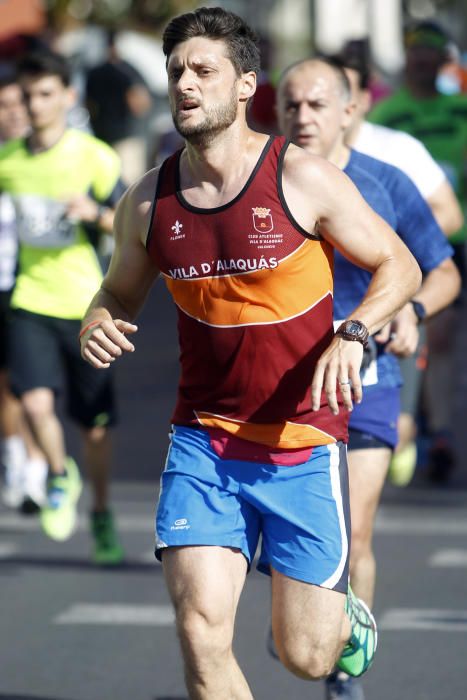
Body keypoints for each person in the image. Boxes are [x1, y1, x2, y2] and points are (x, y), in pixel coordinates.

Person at [80, 8, 421, 699]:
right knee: (201, 634)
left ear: (244, 85)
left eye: (202, 70)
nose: (183, 84)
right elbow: (116, 292)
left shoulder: (300, 178)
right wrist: (97, 320)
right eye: (177, 70)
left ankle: (339, 620)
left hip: (301, 444)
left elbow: (400, 267)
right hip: (203, 442)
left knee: (305, 657)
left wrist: (351, 334)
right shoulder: (147, 203)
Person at [276, 56, 460, 699]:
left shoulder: (385, 184)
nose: (303, 116)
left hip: (368, 378)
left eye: (318, 104)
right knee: (288, 538)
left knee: (353, 532)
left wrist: (410, 310)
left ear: (350, 112)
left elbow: (442, 271)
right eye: (291, 104)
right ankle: (302, 614)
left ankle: (342, 669)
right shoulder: (259, 186)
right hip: (282, 388)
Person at [0, 50, 126, 564]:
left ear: (68, 98)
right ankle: (57, 474)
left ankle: (99, 512)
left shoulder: (94, 156)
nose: (36, 104)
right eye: (29, 95)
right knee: (32, 401)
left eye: (47, 94)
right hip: (29, 297)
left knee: (93, 427)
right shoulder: (8, 162)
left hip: (84, 305)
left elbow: (130, 222)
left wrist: (94, 212)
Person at [333, 44, 464, 485]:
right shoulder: (290, 159)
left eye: (343, 93)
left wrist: (390, 251)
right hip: (323, 323)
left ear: (362, 100)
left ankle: (407, 434)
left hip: (393, 298)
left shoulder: (394, 150)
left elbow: (446, 215)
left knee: (411, 385)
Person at [369, 20, 467, 482]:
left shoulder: (461, 110)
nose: (423, 64)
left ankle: (426, 423)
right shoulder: (389, 116)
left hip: (459, 233)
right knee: (436, 332)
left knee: (441, 339)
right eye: (416, 57)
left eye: (431, 56)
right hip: (418, 241)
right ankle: (427, 430)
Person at [0, 69, 49, 512]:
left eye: (20, 104)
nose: (15, 114)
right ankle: (15, 452)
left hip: (24, 287)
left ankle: (32, 468)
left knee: (26, 385)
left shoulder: (42, 158)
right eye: (4, 107)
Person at [86, 29, 153, 185]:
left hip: (101, 137)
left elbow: (89, 105)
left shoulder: (93, 72)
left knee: (105, 185)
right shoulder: (127, 70)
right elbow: (140, 101)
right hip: (127, 136)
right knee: (130, 188)